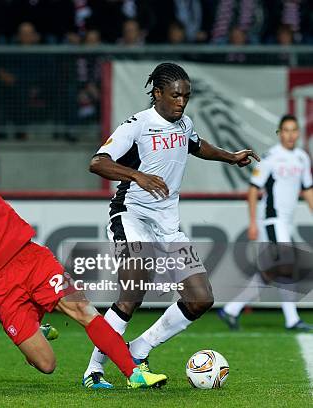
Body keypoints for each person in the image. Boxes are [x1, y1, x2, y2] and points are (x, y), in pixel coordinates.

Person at [0, 18, 167, 389]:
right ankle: (37, 318)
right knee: (45, 363)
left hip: (29, 257)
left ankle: (133, 373)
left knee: (82, 309)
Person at [81, 62, 260, 388]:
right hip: (130, 215)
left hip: (167, 226)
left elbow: (196, 145)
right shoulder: (136, 125)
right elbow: (97, 163)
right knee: (133, 288)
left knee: (200, 298)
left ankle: (140, 348)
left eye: (186, 97)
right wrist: (136, 174)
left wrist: (230, 157)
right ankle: (94, 370)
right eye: (176, 96)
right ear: (159, 93)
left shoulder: (184, 123)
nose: (181, 102)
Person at [219, 114, 313, 332]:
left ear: (298, 133)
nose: (290, 135)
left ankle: (231, 309)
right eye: (286, 130)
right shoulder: (271, 157)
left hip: (286, 223)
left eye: (294, 130)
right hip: (272, 221)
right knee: (286, 265)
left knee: (271, 271)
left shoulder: (302, 157)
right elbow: (253, 190)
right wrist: (253, 222)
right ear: (280, 133)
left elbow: (307, 190)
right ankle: (292, 320)